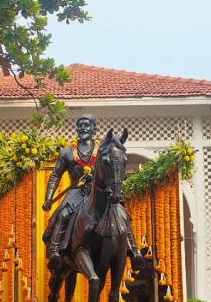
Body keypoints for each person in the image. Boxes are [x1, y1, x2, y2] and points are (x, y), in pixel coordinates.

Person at [42, 114, 142, 266]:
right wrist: (48, 198)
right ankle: (55, 251)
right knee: (63, 214)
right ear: (76, 129)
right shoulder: (67, 152)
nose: (83, 128)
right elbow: (55, 175)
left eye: (87, 125)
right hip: (76, 192)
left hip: (100, 191)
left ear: (94, 129)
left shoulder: (102, 150)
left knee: (122, 214)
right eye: (80, 125)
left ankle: (134, 250)